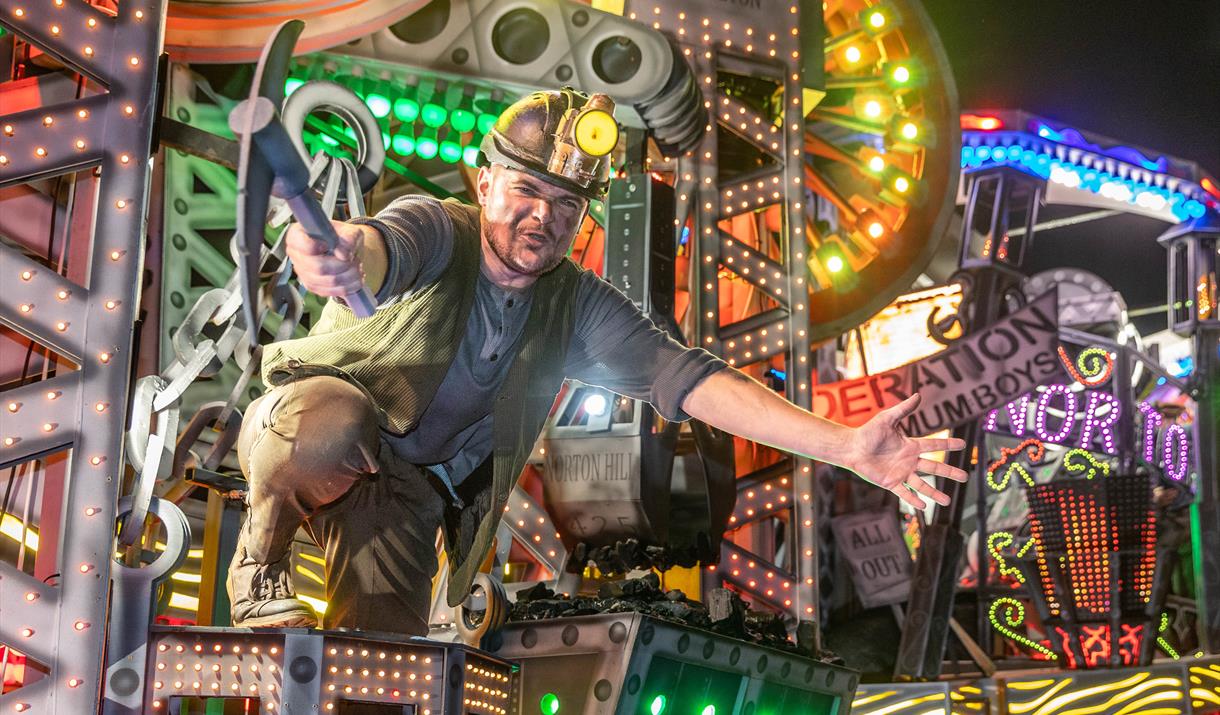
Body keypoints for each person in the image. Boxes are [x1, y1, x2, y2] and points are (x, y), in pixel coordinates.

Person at [227, 88, 968, 633]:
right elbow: (378, 245)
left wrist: (845, 446)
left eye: (566, 204)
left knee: (380, 667)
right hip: (314, 430)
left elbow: (690, 379)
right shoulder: (439, 229)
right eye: (526, 189)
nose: (543, 216)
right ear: (486, 184)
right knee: (328, 426)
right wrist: (337, 253)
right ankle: (258, 565)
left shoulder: (574, 303)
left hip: (405, 493)